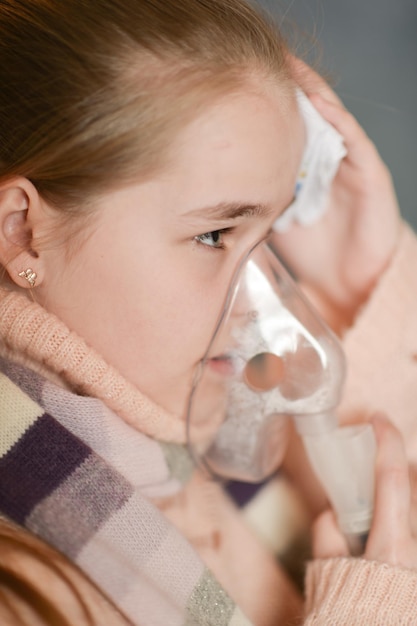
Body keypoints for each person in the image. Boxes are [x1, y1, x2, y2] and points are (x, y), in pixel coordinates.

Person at [0, 0, 416, 624]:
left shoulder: (211, 448)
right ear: (23, 232)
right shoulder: (22, 587)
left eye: (267, 240)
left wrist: (356, 284)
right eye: (215, 235)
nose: (260, 313)